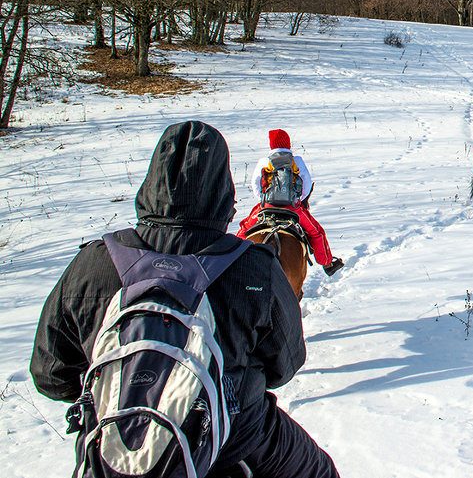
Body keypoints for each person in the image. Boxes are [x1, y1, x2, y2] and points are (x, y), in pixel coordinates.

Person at [29, 120, 340, 478]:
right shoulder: (255, 267)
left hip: (110, 443)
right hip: (236, 436)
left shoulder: (93, 261)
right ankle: (327, 260)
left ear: (149, 184)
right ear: (223, 191)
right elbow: (285, 364)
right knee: (319, 471)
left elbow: (50, 375)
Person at [237, 129, 343, 276]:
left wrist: (265, 200)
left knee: (243, 230)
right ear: (288, 143)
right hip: (293, 208)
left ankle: (229, 260)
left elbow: (256, 187)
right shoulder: (297, 161)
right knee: (316, 232)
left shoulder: (264, 162)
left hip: (266, 207)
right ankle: (327, 263)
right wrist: (297, 200)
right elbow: (306, 185)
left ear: (271, 144)